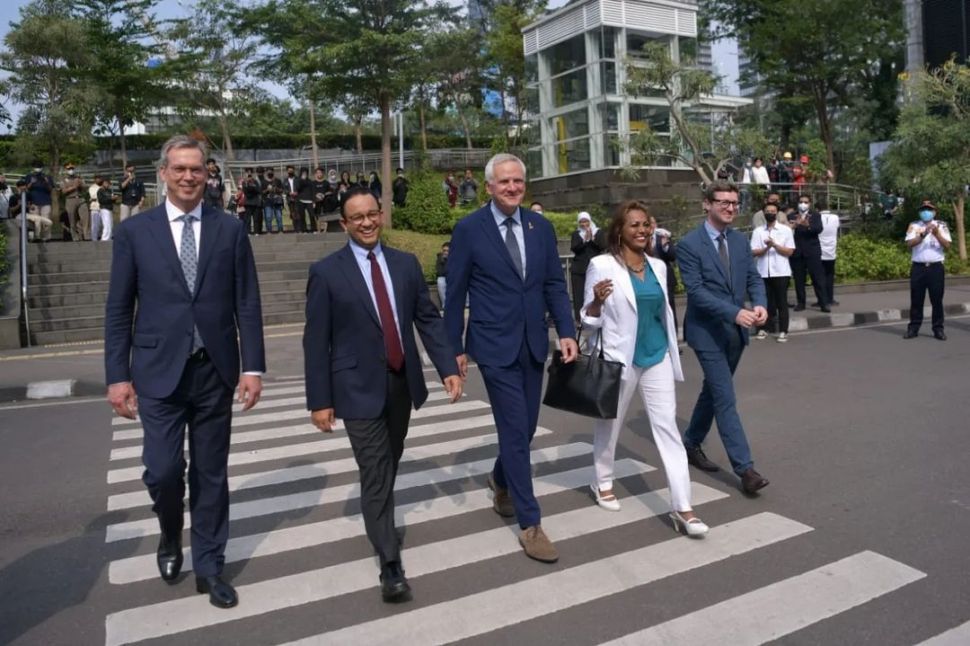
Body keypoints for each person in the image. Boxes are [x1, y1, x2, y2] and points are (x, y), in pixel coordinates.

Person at [104, 135, 265, 609]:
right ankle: (171, 532)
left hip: (214, 370)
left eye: (197, 169)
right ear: (164, 173)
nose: (190, 177)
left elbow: (247, 303)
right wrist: (117, 376)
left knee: (211, 474)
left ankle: (210, 566)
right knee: (164, 470)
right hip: (156, 372)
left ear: (207, 173)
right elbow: (118, 310)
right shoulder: (136, 232)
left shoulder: (230, 229)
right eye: (180, 169)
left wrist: (252, 367)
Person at [304, 185, 462, 603]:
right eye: (357, 217)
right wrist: (320, 400)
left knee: (388, 462)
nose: (367, 222)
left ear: (381, 214)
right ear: (345, 223)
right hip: (355, 388)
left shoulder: (406, 265)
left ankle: (379, 515)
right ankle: (390, 562)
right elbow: (315, 341)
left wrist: (447, 367)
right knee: (375, 469)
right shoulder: (326, 272)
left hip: (400, 384)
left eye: (372, 214)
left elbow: (427, 319)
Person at [444, 153, 578, 563]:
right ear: (488, 187)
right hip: (493, 345)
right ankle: (530, 522)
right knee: (515, 428)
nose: (512, 187)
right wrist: (454, 351)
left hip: (534, 343)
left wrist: (567, 331)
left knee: (526, 427)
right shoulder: (469, 229)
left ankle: (500, 480)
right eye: (504, 182)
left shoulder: (540, 228)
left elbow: (555, 283)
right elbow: (456, 294)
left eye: (518, 181)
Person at [581, 201, 708, 537]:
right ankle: (602, 481)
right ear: (619, 230)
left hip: (656, 356)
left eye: (646, 225)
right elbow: (587, 321)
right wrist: (595, 301)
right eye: (634, 225)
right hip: (619, 359)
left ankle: (684, 508)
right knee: (610, 423)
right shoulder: (601, 265)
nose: (642, 230)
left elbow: (661, 314)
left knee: (667, 428)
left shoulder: (658, 266)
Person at [676, 180, 770, 495]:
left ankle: (690, 442)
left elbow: (753, 278)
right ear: (707, 204)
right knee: (725, 397)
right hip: (706, 333)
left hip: (736, 333)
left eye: (734, 202)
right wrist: (733, 312)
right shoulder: (689, 245)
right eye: (723, 202)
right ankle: (746, 470)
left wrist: (759, 303)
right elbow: (697, 293)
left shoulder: (740, 242)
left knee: (713, 392)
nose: (730, 207)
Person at [904, 200, 951, 341]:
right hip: (918, 267)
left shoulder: (941, 225)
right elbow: (909, 244)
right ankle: (913, 328)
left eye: (929, 209)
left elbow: (947, 245)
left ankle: (938, 329)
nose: (926, 212)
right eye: (923, 209)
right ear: (919, 212)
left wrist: (936, 234)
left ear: (934, 212)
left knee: (937, 300)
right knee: (916, 300)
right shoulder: (914, 225)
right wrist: (923, 235)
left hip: (935, 267)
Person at [750, 201, 795, 342]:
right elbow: (753, 251)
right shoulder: (758, 231)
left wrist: (774, 245)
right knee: (763, 302)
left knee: (781, 302)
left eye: (773, 211)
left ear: (777, 213)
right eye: (768, 211)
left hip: (781, 271)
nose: (770, 213)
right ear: (763, 213)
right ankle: (763, 328)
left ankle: (783, 331)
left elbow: (789, 251)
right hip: (763, 272)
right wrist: (766, 249)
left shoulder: (785, 230)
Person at [790, 194, 830, 312]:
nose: (803, 204)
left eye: (806, 202)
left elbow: (819, 229)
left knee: (818, 279)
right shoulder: (792, 215)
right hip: (797, 252)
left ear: (810, 203)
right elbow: (785, 230)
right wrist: (794, 225)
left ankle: (823, 303)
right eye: (801, 201)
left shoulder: (815, 215)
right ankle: (801, 303)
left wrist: (808, 226)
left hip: (812, 252)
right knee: (799, 280)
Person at [569, 211, 604, 323]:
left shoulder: (598, 232)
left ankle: (593, 316)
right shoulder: (576, 234)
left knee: (593, 293)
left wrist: (592, 239)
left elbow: (602, 246)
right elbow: (574, 248)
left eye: (586, 221)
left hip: (595, 268)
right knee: (579, 295)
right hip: (579, 269)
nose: (584, 224)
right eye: (581, 222)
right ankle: (579, 319)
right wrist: (584, 240)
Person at [818, 196, 840, 306]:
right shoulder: (835, 217)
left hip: (820, 251)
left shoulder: (816, 217)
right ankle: (830, 298)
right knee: (830, 276)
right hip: (831, 251)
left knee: (820, 277)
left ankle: (822, 300)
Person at [60, 163, 87, 241]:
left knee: (84, 217)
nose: (71, 170)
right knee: (72, 219)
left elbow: (85, 188)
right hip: (70, 199)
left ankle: (84, 234)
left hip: (81, 198)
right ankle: (75, 237)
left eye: (72, 169)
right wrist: (73, 187)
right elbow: (63, 191)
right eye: (69, 169)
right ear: (66, 170)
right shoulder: (63, 180)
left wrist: (81, 184)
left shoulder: (79, 178)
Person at [92, 177, 116, 241]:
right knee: (107, 224)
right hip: (104, 208)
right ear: (103, 183)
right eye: (106, 183)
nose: (108, 185)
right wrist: (110, 198)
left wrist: (114, 198)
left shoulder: (109, 191)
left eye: (109, 184)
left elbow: (112, 200)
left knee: (110, 224)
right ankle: (104, 238)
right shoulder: (100, 191)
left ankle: (109, 237)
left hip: (110, 208)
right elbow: (101, 200)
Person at [240, 168, 262, 235]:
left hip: (255, 202)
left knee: (256, 218)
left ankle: (256, 232)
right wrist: (248, 185)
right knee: (248, 219)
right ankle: (248, 232)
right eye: (248, 173)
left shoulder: (255, 181)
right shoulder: (244, 182)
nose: (249, 175)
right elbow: (246, 191)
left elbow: (258, 191)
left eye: (250, 173)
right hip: (248, 203)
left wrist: (252, 185)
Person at [262, 169, 284, 233]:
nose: (270, 173)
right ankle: (269, 231)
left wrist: (276, 188)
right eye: (268, 172)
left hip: (277, 202)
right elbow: (262, 192)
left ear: (273, 172)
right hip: (268, 202)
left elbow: (282, 190)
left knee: (279, 217)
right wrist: (267, 189)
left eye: (271, 172)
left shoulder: (278, 180)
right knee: (268, 217)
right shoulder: (264, 182)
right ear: (266, 173)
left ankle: (280, 230)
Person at [435, 241, 449, 312]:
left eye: (447, 251)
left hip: (453, 278)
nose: (446, 252)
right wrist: (444, 262)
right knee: (440, 281)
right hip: (444, 277)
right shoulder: (440, 259)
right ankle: (445, 305)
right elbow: (440, 272)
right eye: (444, 250)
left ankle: (467, 304)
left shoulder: (455, 258)